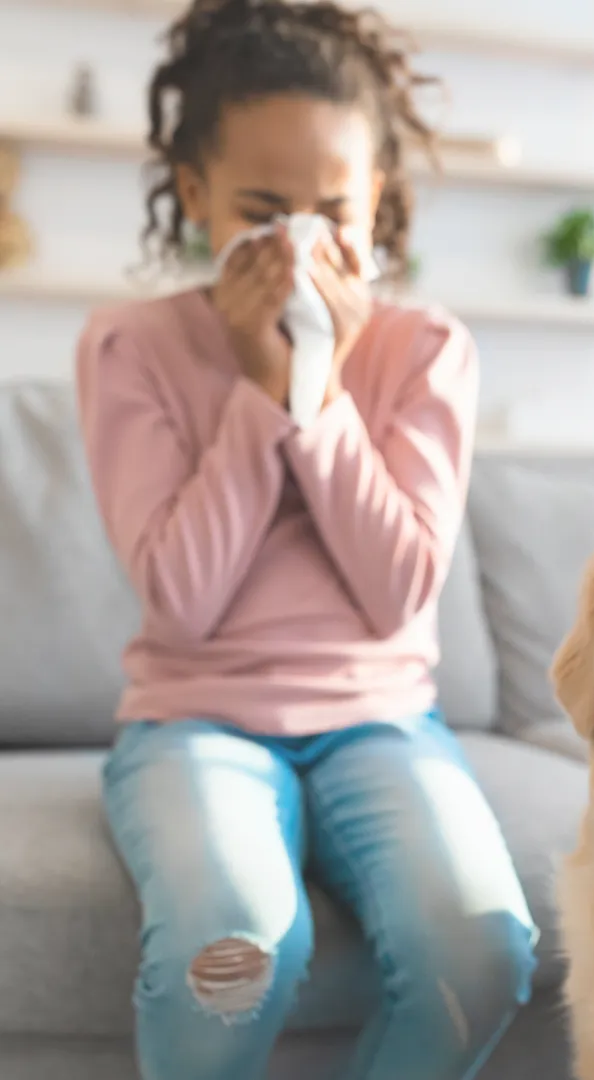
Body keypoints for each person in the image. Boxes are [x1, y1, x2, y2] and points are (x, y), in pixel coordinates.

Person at [74, 2, 536, 1078]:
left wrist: (315, 398)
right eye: (262, 208)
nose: (301, 241)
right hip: (196, 720)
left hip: (381, 721)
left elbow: (400, 589)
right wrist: (254, 390)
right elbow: (180, 599)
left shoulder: (426, 351)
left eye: (334, 209)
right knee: (231, 949)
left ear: (380, 205)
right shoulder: (130, 348)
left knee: (481, 947)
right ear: (196, 197)